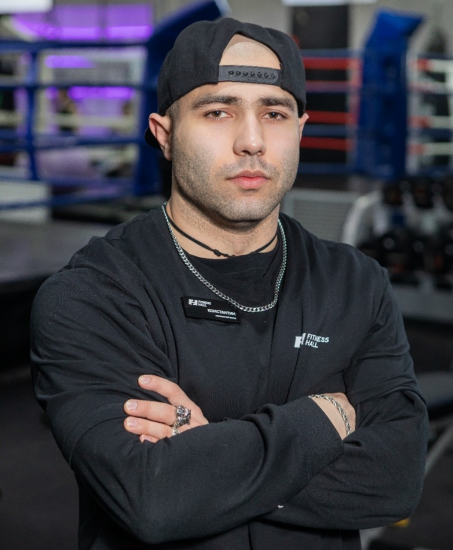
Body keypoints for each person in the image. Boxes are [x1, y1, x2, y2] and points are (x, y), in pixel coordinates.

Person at [31, 18, 429, 550]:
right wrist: (324, 417)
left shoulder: (356, 283)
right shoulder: (91, 296)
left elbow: (396, 476)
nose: (252, 141)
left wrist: (209, 458)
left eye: (274, 113)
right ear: (165, 135)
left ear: (300, 129)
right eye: (218, 111)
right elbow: (154, 497)